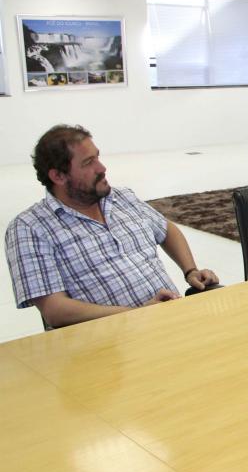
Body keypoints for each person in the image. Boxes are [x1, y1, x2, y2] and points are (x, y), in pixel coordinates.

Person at [5, 125, 219, 329]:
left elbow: (166, 230)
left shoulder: (121, 197)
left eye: (97, 157)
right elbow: (55, 309)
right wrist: (136, 314)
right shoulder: (29, 228)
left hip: (171, 322)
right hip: (111, 343)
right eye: (88, 162)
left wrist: (190, 270)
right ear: (58, 176)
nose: (102, 168)